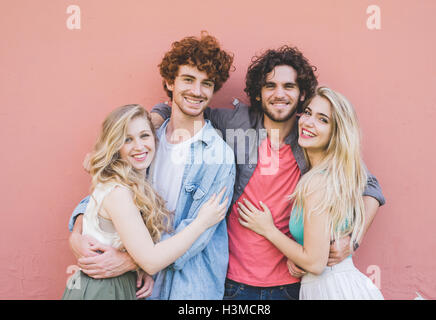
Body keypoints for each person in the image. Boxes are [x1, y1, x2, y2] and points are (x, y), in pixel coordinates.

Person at [151, 46, 385, 300]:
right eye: (270, 86)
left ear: (302, 93)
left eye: (289, 86)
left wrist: (352, 241)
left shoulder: (310, 135)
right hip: (232, 283)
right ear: (259, 94)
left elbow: (369, 187)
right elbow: (189, 107)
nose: (279, 94)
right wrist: (153, 120)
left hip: (291, 283)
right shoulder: (235, 124)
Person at [67, 32, 236, 300]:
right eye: (188, 80)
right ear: (170, 82)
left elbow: (201, 233)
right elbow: (109, 185)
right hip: (135, 286)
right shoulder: (146, 139)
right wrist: (77, 231)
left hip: (187, 287)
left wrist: (132, 260)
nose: (196, 91)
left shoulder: (219, 156)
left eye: (207, 83)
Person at [63, 105, 228, 299]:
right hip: (103, 288)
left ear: (154, 138)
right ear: (115, 145)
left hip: (119, 283)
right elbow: (151, 260)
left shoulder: (132, 184)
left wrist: (137, 270)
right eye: (127, 140)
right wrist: (201, 223)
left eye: (144, 136)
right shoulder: (118, 192)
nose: (139, 146)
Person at [238, 87, 384, 299]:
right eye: (307, 113)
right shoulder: (335, 174)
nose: (308, 123)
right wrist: (299, 255)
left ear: (337, 133)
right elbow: (317, 252)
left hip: (333, 290)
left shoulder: (317, 181)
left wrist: (268, 229)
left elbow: (315, 263)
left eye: (323, 120)